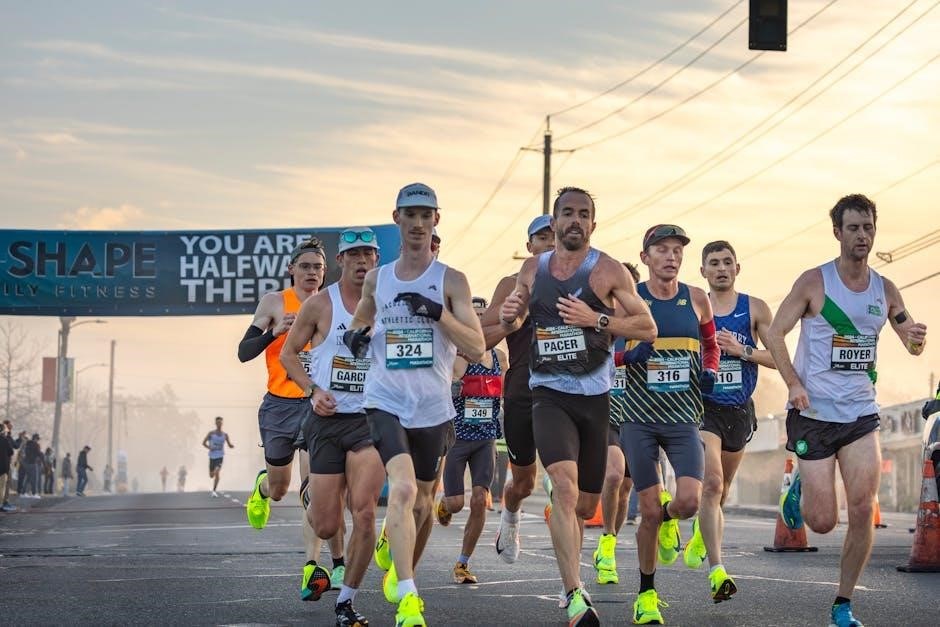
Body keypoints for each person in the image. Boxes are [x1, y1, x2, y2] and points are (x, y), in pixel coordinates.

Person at [767, 194, 927, 627]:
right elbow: (775, 333)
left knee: (862, 508)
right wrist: (794, 383)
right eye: (853, 228)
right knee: (821, 522)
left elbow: (910, 344)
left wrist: (917, 338)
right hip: (814, 415)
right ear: (838, 232)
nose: (862, 235)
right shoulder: (813, 283)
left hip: (860, 415)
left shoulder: (884, 290)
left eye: (868, 227)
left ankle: (843, 603)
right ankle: (799, 486)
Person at [499, 187, 657, 626]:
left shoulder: (608, 270)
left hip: (593, 399)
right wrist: (512, 313)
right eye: (567, 213)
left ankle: (571, 554)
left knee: (587, 506)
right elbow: (515, 318)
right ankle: (574, 593)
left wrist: (597, 319)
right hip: (548, 394)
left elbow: (647, 327)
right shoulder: (532, 269)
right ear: (554, 222)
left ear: (593, 223)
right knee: (564, 490)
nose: (575, 220)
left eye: (583, 214)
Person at [343, 182, 485, 626]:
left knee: (423, 501)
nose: (419, 223)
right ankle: (408, 597)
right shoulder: (378, 278)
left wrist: (437, 312)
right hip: (385, 399)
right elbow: (360, 321)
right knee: (402, 490)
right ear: (397, 219)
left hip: (432, 407)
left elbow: (477, 347)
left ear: (436, 220)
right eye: (411, 215)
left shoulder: (451, 281)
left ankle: (401, 558)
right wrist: (355, 338)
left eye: (426, 215)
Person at [279, 226, 386, 625]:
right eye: (354, 255)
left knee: (364, 513)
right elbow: (289, 354)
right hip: (326, 421)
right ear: (340, 261)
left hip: (369, 421)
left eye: (368, 255)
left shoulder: (388, 304)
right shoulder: (321, 304)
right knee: (326, 524)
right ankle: (319, 495)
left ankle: (346, 601)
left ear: (376, 259)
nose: (361, 262)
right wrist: (312, 390)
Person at [617, 224, 719, 624]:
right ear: (645, 258)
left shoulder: (696, 298)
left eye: (677, 250)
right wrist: (628, 357)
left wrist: (710, 370)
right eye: (662, 249)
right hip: (638, 418)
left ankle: (667, 519)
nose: (671, 256)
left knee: (689, 502)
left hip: (682, 418)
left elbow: (711, 345)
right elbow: (603, 353)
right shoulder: (631, 301)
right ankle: (646, 595)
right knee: (646, 509)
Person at [238, 236, 344, 601]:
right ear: (292, 269)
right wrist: (274, 332)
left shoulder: (332, 302)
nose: (312, 273)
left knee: (316, 490)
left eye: (318, 267)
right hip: (279, 406)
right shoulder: (275, 302)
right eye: (305, 266)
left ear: (325, 272)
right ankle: (264, 488)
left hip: (318, 405)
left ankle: (314, 568)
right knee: (281, 488)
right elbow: (243, 353)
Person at [674, 240, 777, 601]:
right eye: (714, 263)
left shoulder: (755, 308)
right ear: (702, 271)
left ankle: (702, 535)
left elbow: (779, 358)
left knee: (723, 490)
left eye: (727, 262)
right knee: (712, 483)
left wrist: (740, 349)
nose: (721, 268)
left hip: (739, 409)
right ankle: (717, 571)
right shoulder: (693, 308)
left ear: (737, 268)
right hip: (703, 407)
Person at [478, 214, 555, 565]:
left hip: (565, 391)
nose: (551, 243)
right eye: (543, 237)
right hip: (523, 388)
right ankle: (510, 517)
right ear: (529, 246)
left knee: (566, 479)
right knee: (524, 482)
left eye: (556, 236)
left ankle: (571, 582)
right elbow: (482, 334)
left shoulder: (583, 281)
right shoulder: (512, 284)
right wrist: (510, 322)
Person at [436, 296, 507, 585]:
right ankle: (444, 503)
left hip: (486, 438)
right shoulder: (458, 357)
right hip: (459, 438)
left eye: (483, 315)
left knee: (479, 500)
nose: (478, 320)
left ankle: (463, 563)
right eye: (473, 315)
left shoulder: (499, 358)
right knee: (456, 504)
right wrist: (454, 384)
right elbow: (441, 389)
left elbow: (505, 392)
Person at [593, 261, 644, 586]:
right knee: (613, 475)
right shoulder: (599, 323)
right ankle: (607, 539)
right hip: (605, 414)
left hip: (636, 415)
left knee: (625, 490)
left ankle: (607, 543)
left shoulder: (644, 326)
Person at [202, 416, 234, 497]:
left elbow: (229, 444)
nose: (219, 424)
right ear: (215, 423)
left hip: (220, 456)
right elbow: (203, 443)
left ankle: (214, 490)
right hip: (212, 457)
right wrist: (210, 447)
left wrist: (231, 446)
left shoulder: (225, 435)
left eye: (220, 422)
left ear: (222, 423)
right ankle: (213, 474)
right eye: (217, 422)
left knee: (217, 472)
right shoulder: (211, 433)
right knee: (211, 475)